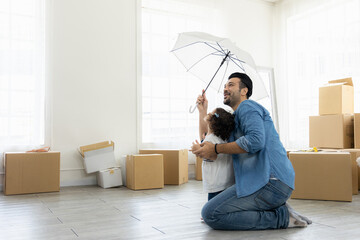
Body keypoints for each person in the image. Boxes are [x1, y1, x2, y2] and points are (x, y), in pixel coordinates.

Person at [191, 72, 312, 230]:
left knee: (211, 214)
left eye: (231, 85)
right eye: (225, 86)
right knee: (211, 211)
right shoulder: (236, 117)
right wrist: (202, 111)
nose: (226, 88)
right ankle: (279, 209)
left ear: (244, 91)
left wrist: (215, 149)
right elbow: (209, 136)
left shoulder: (247, 107)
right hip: (266, 182)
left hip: (271, 182)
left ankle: (280, 217)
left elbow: (256, 141)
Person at [191, 104, 235, 201]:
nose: (208, 113)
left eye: (210, 113)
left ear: (212, 122)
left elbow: (211, 155)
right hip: (226, 182)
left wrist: (196, 148)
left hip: (216, 185)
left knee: (212, 206)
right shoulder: (221, 138)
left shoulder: (211, 139)